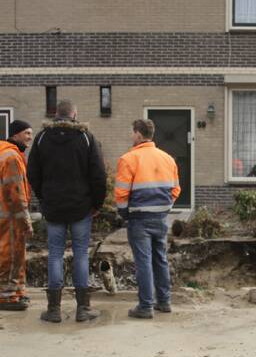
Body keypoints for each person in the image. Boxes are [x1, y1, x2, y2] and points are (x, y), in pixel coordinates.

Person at [27, 100, 107, 323]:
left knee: (55, 254)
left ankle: (54, 310)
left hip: (53, 207)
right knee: (80, 253)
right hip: (81, 207)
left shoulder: (42, 138)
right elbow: (99, 175)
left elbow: (32, 172)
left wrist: (44, 197)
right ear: (74, 115)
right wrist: (96, 203)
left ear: (56, 115)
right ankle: (83, 308)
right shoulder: (85, 138)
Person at [115, 119, 180, 319]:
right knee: (160, 258)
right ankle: (164, 301)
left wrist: (125, 213)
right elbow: (176, 189)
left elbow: (121, 193)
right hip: (160, 217)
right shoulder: (168, 158)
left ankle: (145, 306)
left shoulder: (128, 159)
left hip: (139, 217)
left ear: (138, 134)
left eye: (132, 132)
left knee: (143, 261)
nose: (131, 136)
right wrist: (166, 208)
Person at [0, 119, 34, 311]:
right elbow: (16, 193)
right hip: (11, 216)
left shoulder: (6, 154)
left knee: (16, 255)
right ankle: (6, 297)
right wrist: (26, 219)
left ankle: (16, 293)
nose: (29, 138)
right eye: (27, 134)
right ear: (16, 135)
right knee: (11, 256)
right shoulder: (12, 158)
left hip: (4, 215)